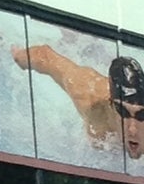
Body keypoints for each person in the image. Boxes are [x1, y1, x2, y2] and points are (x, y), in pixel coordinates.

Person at [11, 44, 144, 160]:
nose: (132, 129)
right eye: (123, 112)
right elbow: (46, 57)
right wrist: (18, 56)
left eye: (141, 115)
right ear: (111, 103)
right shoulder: (88, 95)